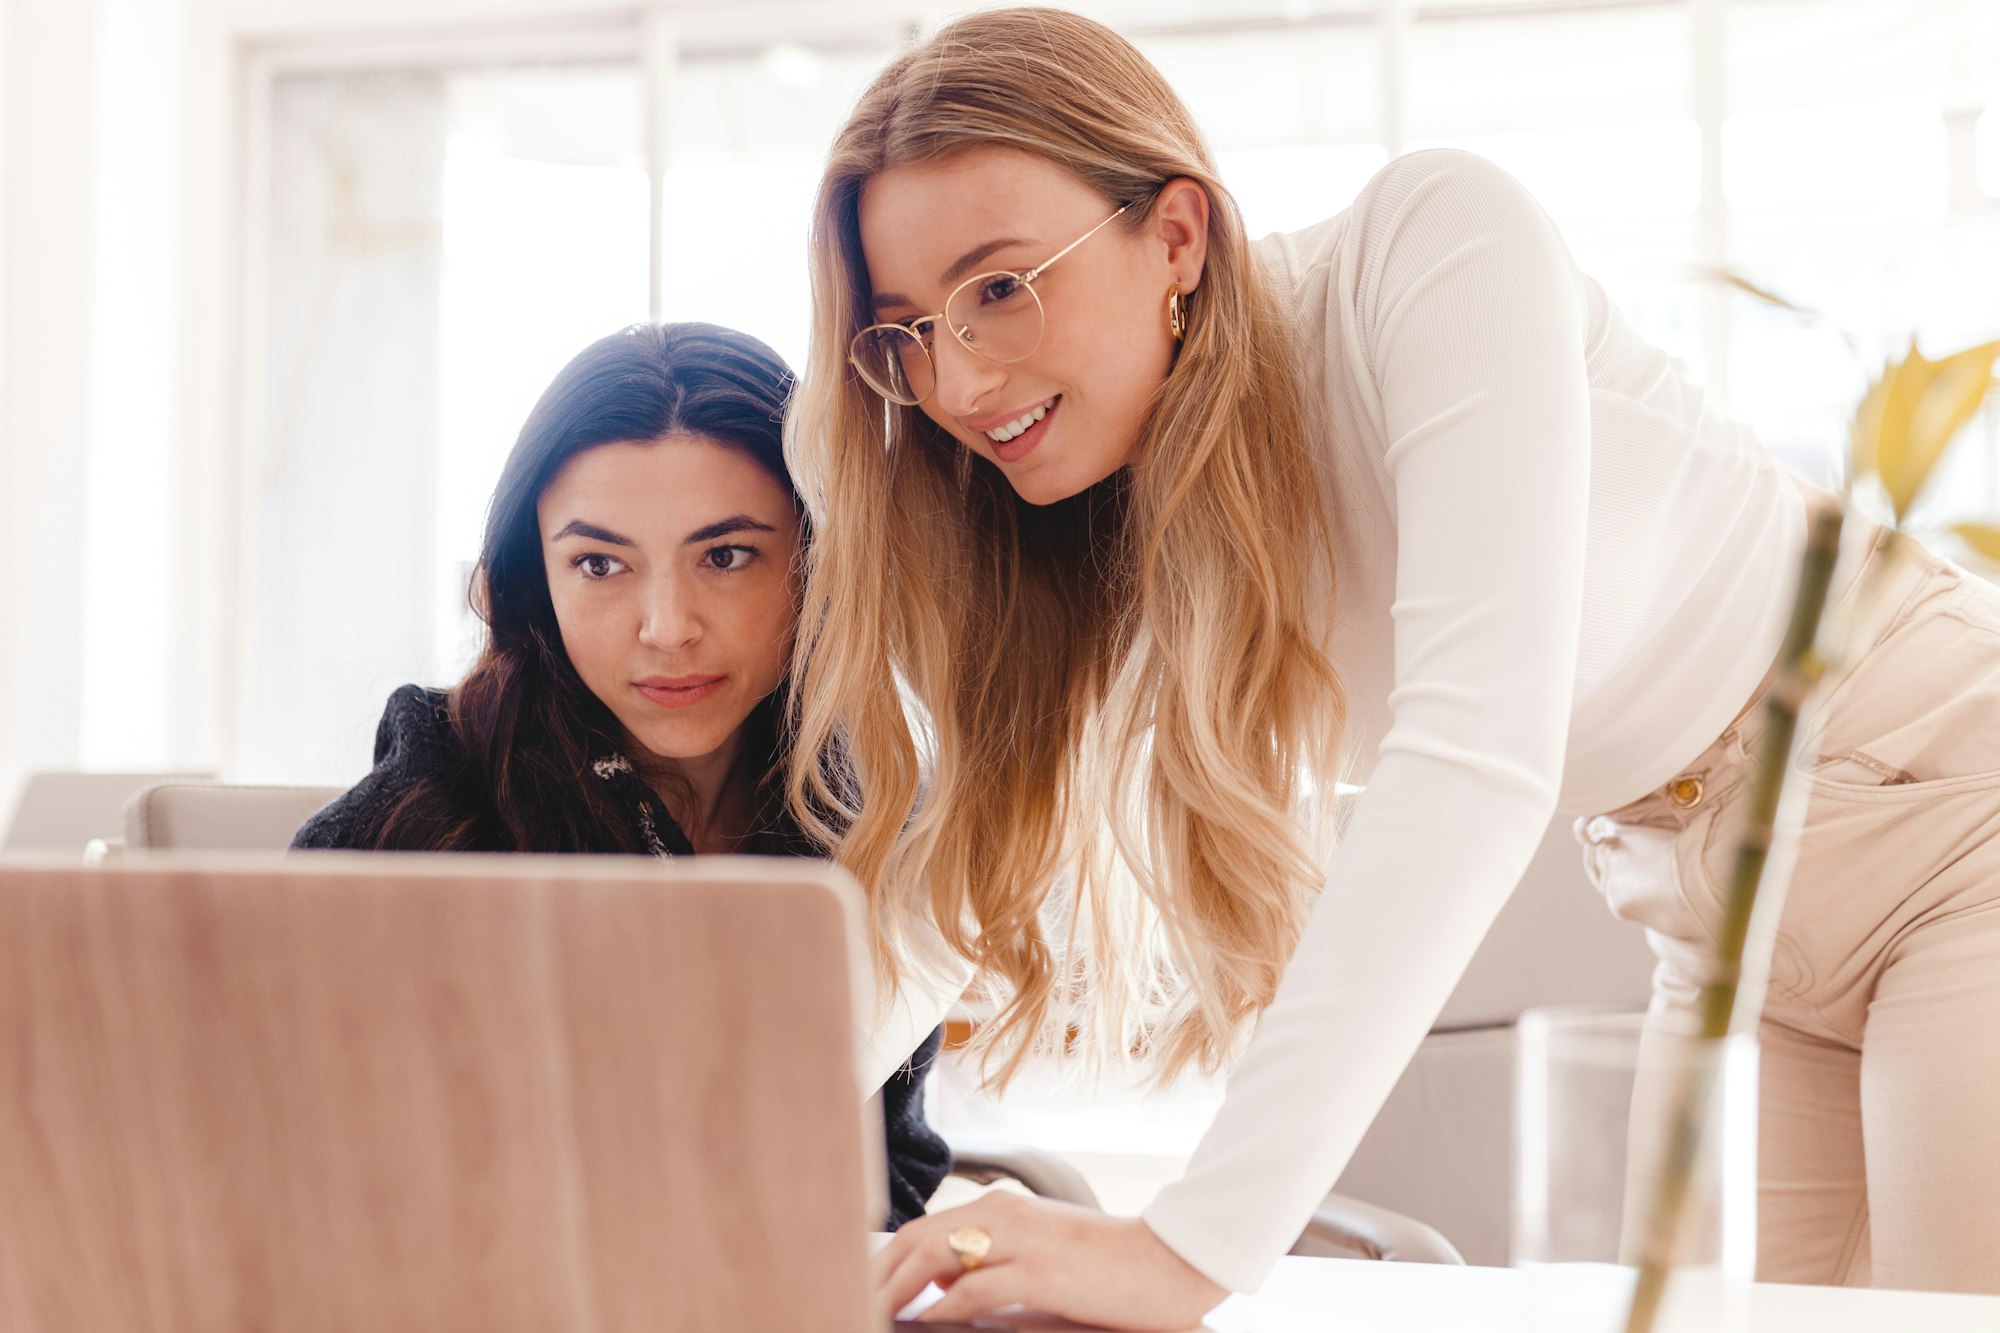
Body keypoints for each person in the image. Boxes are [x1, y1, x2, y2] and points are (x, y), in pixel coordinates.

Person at [781, 8, 2000, 1325]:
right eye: (907, 330)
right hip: (1713, 913)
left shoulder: (1431, 250)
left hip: (1950, 810)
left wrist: (1187, 1247)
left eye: (1002, 288)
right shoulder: (1101, 528)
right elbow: (954, 893)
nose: (958, 378)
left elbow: (1476, 762)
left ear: (1176, 233)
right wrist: (681, 1172)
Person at [294, 321, 951, 1230]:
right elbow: (286, 1143)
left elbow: (889, 1162)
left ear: (818, 564)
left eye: (726, 556)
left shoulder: (867, 811)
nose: (667, 626)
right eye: (599, 564)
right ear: (536, 581)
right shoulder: (440, 787)